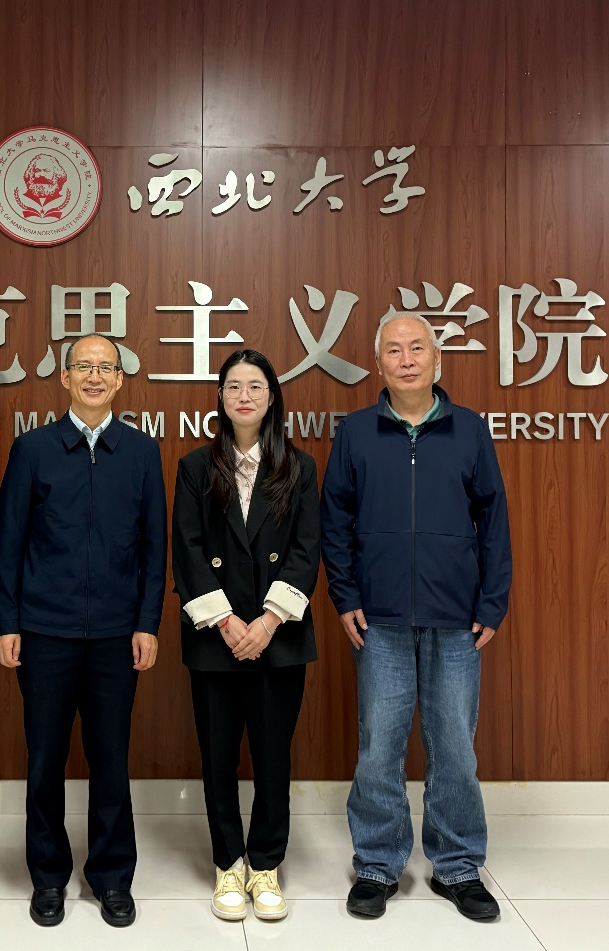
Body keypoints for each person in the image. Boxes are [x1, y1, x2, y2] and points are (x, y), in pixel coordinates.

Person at [320, 313, 512, 921]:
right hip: (377, 620)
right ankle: (377, 864)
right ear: (378, 364)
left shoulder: (469, 430)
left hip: (456, 619)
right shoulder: (355, 433)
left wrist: (493, 601)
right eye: (394, 350)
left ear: (437, 359)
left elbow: (494, 520)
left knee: (454, 746)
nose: (406, 360)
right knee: (379, 746)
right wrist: (344, 596)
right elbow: (335, 521)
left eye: (417, 348)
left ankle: (458, 866)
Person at [0, 333, 167, 929]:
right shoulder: (33, 449)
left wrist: (147, 623)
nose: (94, 376)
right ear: (64, 378)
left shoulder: (140, 452)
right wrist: (7, 621)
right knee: (45, 759)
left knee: (110, 759)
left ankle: (112, 876)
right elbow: (8, 543)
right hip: (44, 631)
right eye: (83, 367)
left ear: (119, 380)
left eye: (105, 367)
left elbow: (155, 549)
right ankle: (48, 876)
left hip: (117, 634)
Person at [172, 350, 321, 922]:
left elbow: (306, 549)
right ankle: (228, 864)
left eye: (255, 386)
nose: (244, 396)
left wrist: (267, 621)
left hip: (277, 637)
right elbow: (187, 550)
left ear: (272, 397)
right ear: (220, 396)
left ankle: (265, 865)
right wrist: (228, 622)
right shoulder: (194, 466)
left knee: (273, 758)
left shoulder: (299, 467)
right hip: (217, 637)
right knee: (217, 758)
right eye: (233, 386)